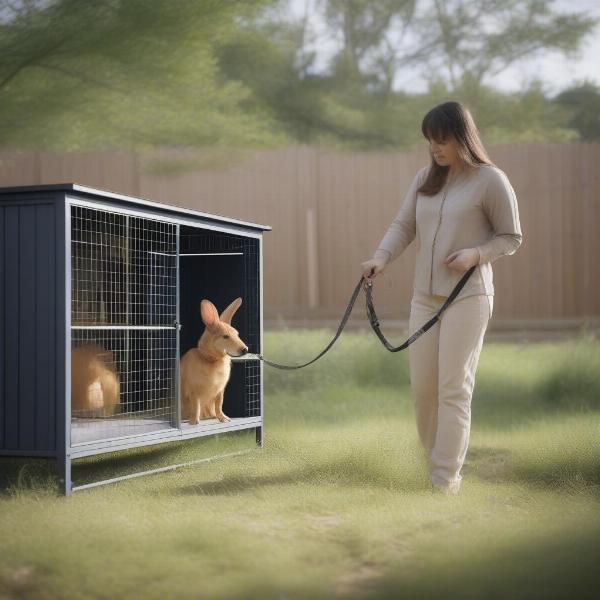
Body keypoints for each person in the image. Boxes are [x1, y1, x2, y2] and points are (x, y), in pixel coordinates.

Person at [361, 101, 523, 495]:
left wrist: (476, 254)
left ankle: (444, 480)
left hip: (468, 297)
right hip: (425, 300)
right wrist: (381, 258)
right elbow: (404, 225)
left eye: (443, 140)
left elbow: (511, 237)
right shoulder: (424, 178)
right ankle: (432, 462)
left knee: (453, 389)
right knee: (423, 391)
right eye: (431, 141)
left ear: (463, 138)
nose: (435, 148)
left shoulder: (490, 180)